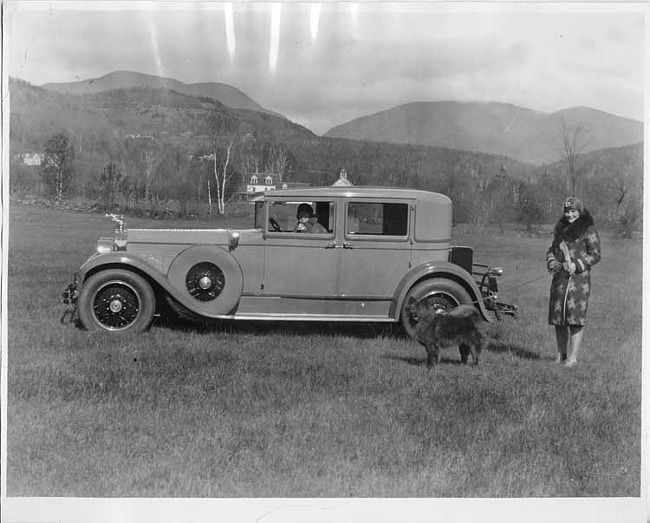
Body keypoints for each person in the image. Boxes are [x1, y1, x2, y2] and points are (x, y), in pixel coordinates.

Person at [546, 196, 601, 367]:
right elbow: (552, 250)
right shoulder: (560, 230)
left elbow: (595, 255)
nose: (569, 214)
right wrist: (552, 262)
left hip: (578, 281)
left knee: (574, 318)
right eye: (567, 211)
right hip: (559, 280)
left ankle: (573, 357)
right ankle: (561, 355)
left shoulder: (589, 230)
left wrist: (577, 265)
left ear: (580, 212)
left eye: (573, 211)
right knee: (559, 318)